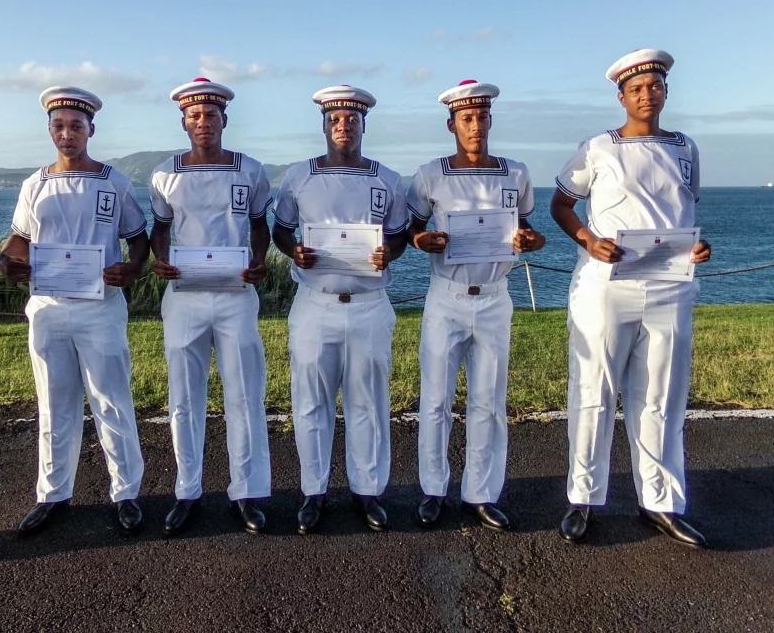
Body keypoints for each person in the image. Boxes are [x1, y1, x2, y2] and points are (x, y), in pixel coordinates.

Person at [551, 49, 712, 547]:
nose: (647, 93)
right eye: (637, 88)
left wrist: (697, 246)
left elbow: (683, 214)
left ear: (666, 91)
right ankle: (583, 498)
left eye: (655, 86)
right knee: (594, 392)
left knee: (662, 396)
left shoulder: (687, 148)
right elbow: (562, 204)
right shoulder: (597, 148)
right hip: (606, 286)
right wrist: (586, 240)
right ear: (621, 95)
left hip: (670, 287)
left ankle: (660, 501)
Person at [0, 87, 148, 537]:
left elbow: (137, 238)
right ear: (49, 130)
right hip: (47, 309)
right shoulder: (33, 184)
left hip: (99, 308)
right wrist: (6, 262)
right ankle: (53, 493)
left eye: (76, 126)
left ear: (91, 130)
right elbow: (18, 241)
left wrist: (132, 268)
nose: (68, 134)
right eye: (59, 126)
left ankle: (126, 493)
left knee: (111, 400)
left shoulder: (114, 182)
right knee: (54, 402)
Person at [408, 79, 545, 531]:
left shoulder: (516, 173)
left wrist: (531, 239)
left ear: (490, 120)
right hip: (446, 298)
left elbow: (525, 227)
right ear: (451, 124)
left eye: (482, 117)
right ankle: (433, 490)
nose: (475, 125)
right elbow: (411, 229)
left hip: (493, 298)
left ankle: (481, 493)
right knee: (436, 400)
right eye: (466, 118)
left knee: (489, 400)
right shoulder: (430, 175)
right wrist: (420, 239)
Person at [272, 85, 408, 534]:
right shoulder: (299, 177)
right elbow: (281, 230)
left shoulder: (386, 179)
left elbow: (400, 235)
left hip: (369, 304)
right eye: (335, 119)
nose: (343, 126)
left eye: (352, 119)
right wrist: (294, 252)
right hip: (315, 304)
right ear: (324, 124)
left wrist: (389, 251)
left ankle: (367, 490)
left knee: (368, 401)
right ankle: (313, 491)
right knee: (310, 401)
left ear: (364, 124)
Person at [149, 77, 272, 535]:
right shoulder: (164, 174)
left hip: (236, 294)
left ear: (224, 119)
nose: (204, 122)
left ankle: (247, 491)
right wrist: (161, 260)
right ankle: (187, 490)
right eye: (195, 116)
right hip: (183, 296)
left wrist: (260, 261)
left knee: (244, 394)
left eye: (211, 115)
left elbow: (260, 225)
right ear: (184, 122)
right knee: (184, 397)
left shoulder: (251, 170)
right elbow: (161, 227)